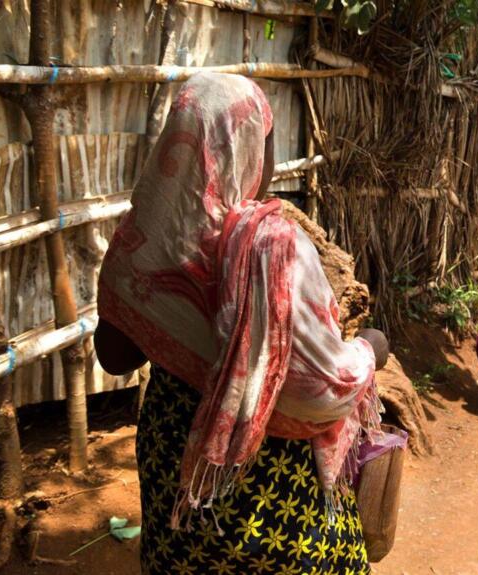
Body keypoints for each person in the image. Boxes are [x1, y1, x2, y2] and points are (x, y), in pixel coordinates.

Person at [94, 73, 389, 574]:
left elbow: (114, 356)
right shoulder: (273, 248)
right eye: (268, 142)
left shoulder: (145, 239)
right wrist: (368, 349)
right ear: (247, 148)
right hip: (266, 488)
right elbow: (319, 392)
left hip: (177, 462)